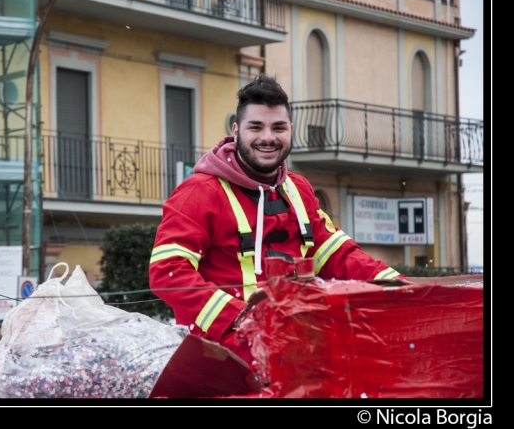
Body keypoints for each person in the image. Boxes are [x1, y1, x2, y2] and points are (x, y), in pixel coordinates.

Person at [148, 74, 408, 365]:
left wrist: (402, 288)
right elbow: (167, 272)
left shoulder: (299, 190)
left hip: (296, 350)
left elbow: (338, 255)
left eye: (278, 127)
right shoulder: (199, 192)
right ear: (235, 131)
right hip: (223, 364)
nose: (268, 137)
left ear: (291, 131)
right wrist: (239, 317)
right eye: (255, 127)